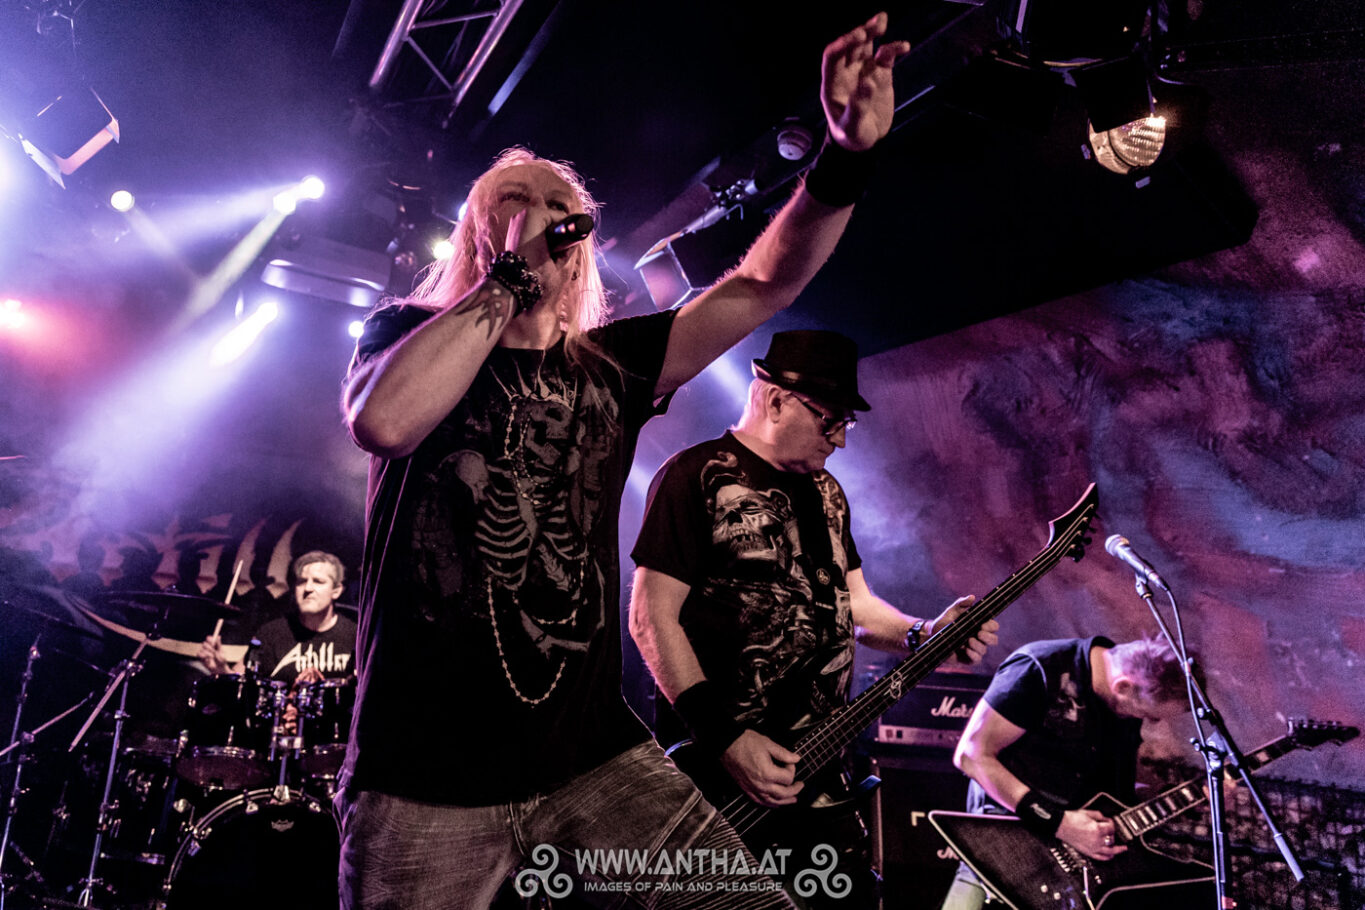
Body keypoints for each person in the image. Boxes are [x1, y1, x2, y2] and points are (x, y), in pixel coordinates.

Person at [338, 13, 912, 907]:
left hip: (592, 758)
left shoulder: (614, 365)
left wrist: (842, 158)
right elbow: (385, 424)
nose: (538, 219)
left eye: (556, 209)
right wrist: (507, 281)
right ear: (479, 235)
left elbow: (762, 284)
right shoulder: (405, 332)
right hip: (423, 774)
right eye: (512, 203)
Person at [628, 329, 999, 907]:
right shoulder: (695, 476)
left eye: (847, 423)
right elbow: (651, 618)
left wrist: (924, 634)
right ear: (776, 400)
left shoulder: (827, 492)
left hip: (820, 774)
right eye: (830, 420)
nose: (841, 440)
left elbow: (855, 605)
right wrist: (726, 740)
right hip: (721, 784)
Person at [937, 635, 1191, 910]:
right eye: (1150, 715)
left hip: (1070, 867)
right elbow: (972, 756)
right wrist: (1059, 823)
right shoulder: (1040, 668)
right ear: (1123, 686)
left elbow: (1112, 790)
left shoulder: (1120, 705)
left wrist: (1187, 796)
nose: (1151, 722)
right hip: (1007, 843)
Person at [199, 550, 357, 687]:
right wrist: (221, 669)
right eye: (302, 581)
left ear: (336, 590)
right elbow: (240, 687)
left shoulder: (355, 636)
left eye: (318, 581)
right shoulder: (271, 633)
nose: (308, 588)